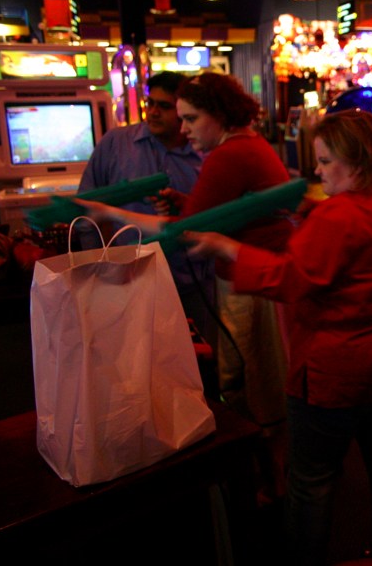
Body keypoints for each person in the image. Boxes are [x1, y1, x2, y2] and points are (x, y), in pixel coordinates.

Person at [185, 109, 372, 566]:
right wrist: (312, 211)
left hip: (334, 374)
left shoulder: (340, 216)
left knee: (312, 480)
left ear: (356, 163)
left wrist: (228, 248)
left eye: (325, 161)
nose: (316, 171)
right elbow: (362, 240)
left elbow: (291, 280)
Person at [76, 72, 293, 504]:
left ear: (219, 114)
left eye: (192, 118)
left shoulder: (229, 155)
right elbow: (219, 213)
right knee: (253, 380)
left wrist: (110, 212)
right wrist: (185, 204)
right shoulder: (245, 146)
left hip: (252, 283)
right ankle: (276, 478)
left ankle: (277, 485)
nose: (185, 128)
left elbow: (183, 234)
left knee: (254, 386)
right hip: (258, 276)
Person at [77, 71, 214, 346]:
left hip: (191, 284)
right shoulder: (116, 143)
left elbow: (215, 219)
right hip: (127, 282)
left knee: (202, 368)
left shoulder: (204, 153)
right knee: (133, 369)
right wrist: (97, 272)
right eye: (150, 104)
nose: (153, 112)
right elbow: (85, 214)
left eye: (164, 106)